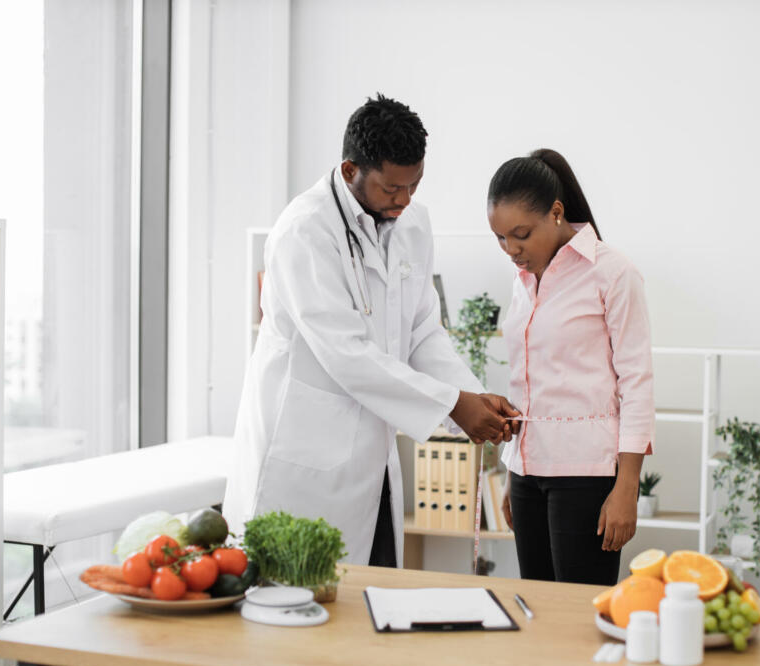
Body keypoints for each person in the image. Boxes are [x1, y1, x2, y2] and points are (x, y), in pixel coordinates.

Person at [226, 94, 519, 568]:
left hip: (372, 459)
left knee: (367, 607)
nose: (404, 200)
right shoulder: (304, 232)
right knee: (291, 609)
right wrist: (452, 406)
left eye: (414, 185)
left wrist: (472, 395)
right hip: (302, 460)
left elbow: (423, 329)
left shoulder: (413, 224)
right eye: (391, 189)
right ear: (349, 171)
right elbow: (346, 355)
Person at [488, 148, 654, 585]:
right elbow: (527, 382)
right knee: (539, 613)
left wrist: (627, 487)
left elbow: (637, 384)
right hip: (527, 473)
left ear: (556, 212)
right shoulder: (522, 279)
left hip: (587, 472)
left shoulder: (612, 273)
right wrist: (512, 473)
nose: (511, 250)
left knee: (581, 618)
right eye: (501, 238)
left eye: (520, 234)